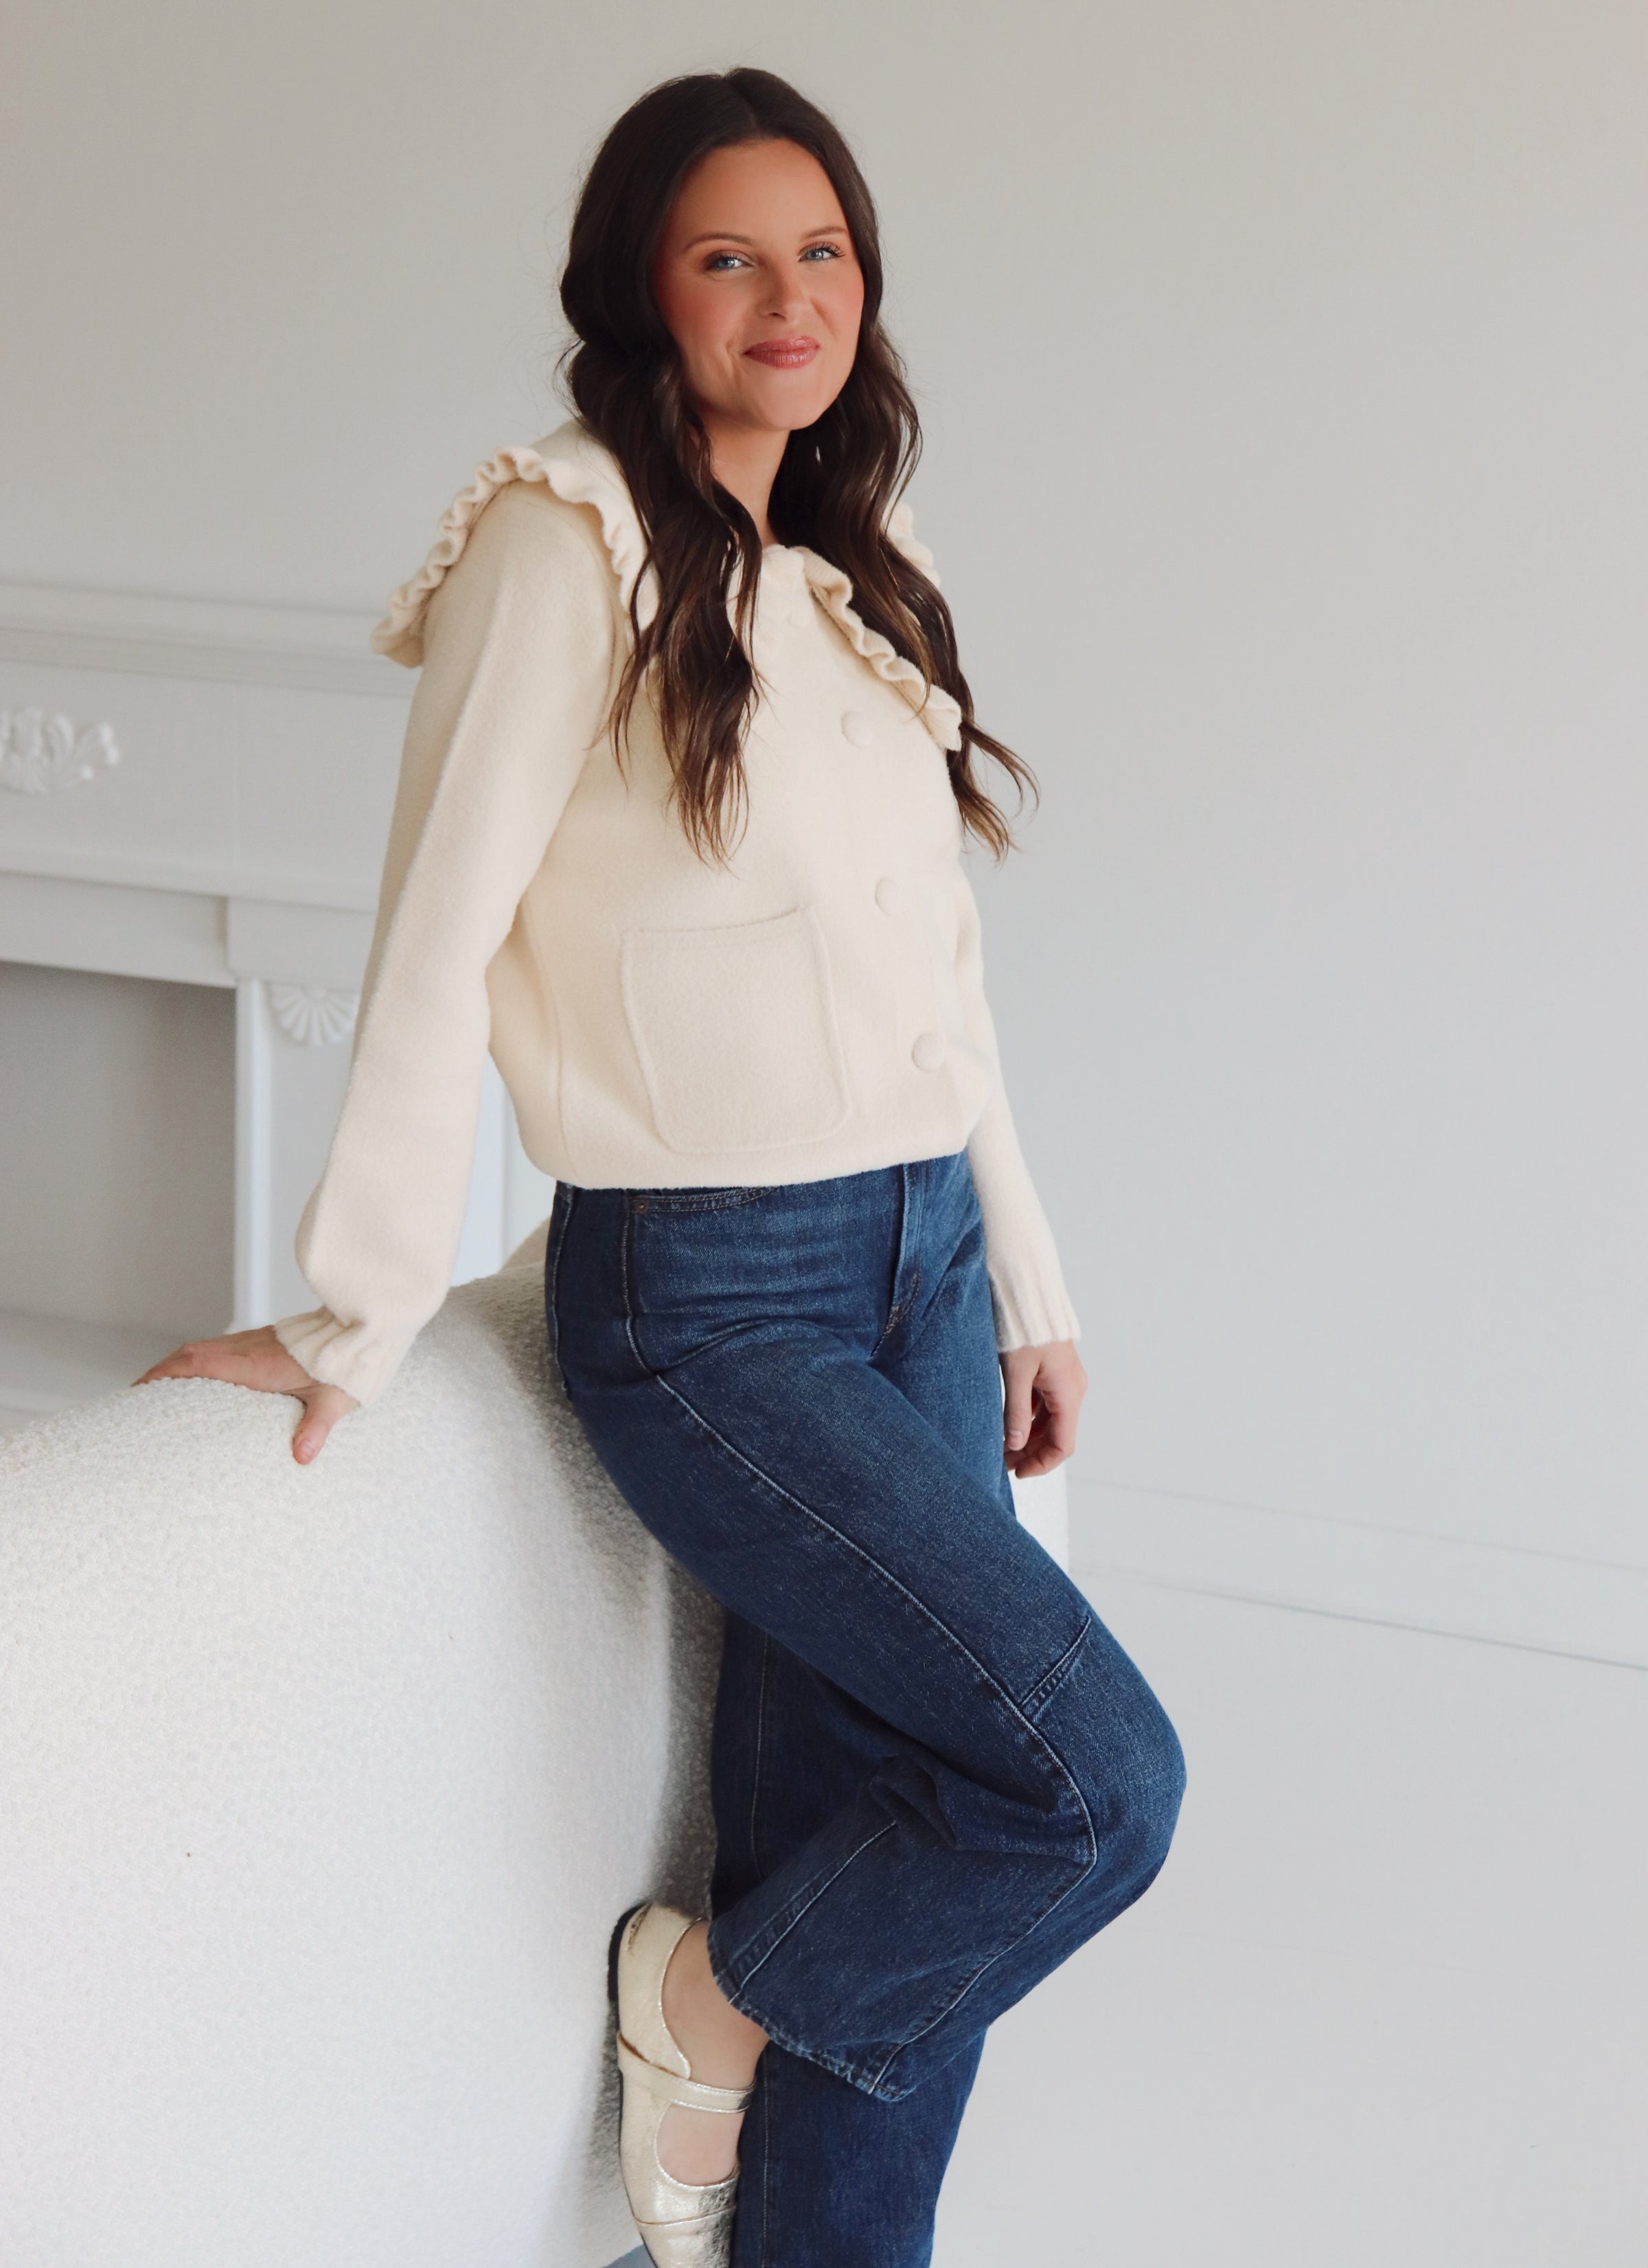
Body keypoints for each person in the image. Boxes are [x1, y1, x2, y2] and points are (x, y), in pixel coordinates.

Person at [141, 67, 1185, 2268]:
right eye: (729, 256)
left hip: (917, 1261)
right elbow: (436, 928)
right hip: (712, 1300)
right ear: (642, 288)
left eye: (822, 253)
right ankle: (702, 2000)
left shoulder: (856, 570)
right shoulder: (563, 539)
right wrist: (359, 1304)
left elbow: (936, 976)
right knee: (1091, 1780)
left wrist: (1027, 1281)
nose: (788, 298)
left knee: (879, 1805)